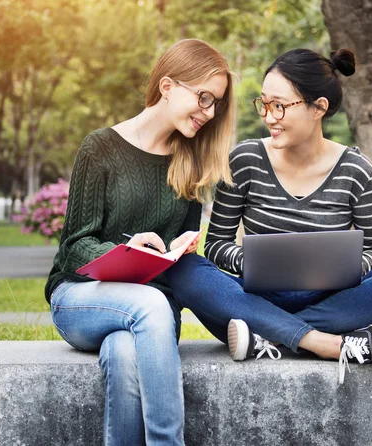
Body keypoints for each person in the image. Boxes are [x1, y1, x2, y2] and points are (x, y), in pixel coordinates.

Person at [166, 48, 372, 384]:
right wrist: (252, 262)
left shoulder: (357, 170)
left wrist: (340, 268)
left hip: (326, 302)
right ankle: (322, 342)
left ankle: (269, 339)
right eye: (264, 104)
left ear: (318, 107)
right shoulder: (245, 159)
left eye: (279, 105)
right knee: (185, 270)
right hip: (253, 298)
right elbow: (216, 244)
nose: (269, 116)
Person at [45, 39, 234, 445]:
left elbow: (179, 263)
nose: (209, 112)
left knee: (124, 353)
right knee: (148, 305)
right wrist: (127, 253)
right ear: (167, 86)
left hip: (152, 315)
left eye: (214, 102)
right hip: (81, 299)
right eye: (203, 97)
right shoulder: (100, 148)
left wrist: (174, 254)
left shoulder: (189, 164)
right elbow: (74, 246)